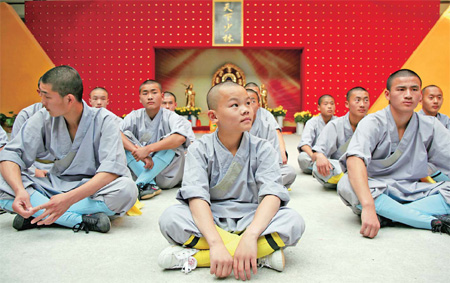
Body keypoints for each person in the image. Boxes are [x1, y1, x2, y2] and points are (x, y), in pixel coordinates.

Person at [158, 82, 305, 280]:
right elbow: (196, 197)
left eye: (247, 103)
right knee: (170, 217)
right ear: (213, 116)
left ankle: (200, 257)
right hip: (212, 217)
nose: (246, 110)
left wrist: (251, 235)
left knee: (293, 221)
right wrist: (216, 243)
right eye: (235, 105)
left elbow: (272, 194)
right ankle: (260, 255)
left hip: (252, 217)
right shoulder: (199, 149)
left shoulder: (263, 148)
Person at [0, 65, 137, 233]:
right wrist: (20, 191)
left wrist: (68, 199)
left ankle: (38, 215)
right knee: (4, 177)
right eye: (41, 95)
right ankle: (79, 220)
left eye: (47, 96)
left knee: (127, 190)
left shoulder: (104, 120)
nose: (43, 102)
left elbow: (111, 171)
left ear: (69, 99)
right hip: (52, 185)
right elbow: (11, 155)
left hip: (90, 189)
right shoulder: (43, 116)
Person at [337, 69, 450, 239]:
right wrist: (368, 206)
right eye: (401, 89)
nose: (408, 95)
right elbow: (354, 160)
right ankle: (431, 222)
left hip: (414, 190)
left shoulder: (431, 125)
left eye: (414, 89)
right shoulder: (373, 122)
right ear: (387, 94)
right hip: (378, 190)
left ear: (420, 95)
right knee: (347, 182)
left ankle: (392, 216)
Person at [121, 80, 193, 200]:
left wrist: (148, 149)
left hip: (166, 174)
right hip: (142, 166)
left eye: (154, 92)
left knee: (172, 144)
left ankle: (139, 184)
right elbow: (116, 134)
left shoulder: (171, 117)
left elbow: (180, 138)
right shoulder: (134, 116)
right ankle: (148, 184)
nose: (150, 97)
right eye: (145, 93)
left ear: (162, 96)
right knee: (124, 139)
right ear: (139, 98)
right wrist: (139, 152)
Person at [312, 87, 369, 189]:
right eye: (357, 100)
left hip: (365, 168)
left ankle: (349, 181)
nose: (362, 104)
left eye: (366, 100)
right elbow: (317, 152)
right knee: (317, 166)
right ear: (347, 104)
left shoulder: (374, 125)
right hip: (341, 169)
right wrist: (320, 156)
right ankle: (355, 181)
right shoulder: (335, 125)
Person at [247, 88, 296, 188]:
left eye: (253, 101)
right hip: (240, 171)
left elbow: (273, 155)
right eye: (246, 102)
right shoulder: (233, 122)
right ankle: (264, 188)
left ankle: (255, 189)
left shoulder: (266, 125)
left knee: (289, 172)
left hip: (262, 169)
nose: (249, 105)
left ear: (259, 104)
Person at [245, 82, 289, 167]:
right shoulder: (236, 115)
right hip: (243, 162)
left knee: (288, 172)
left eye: (253, 99)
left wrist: (282, 151)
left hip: (263, 160)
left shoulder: (265, 115)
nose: (250, 103)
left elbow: (276, 132)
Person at [297, 94, 336, 174]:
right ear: (319, 107)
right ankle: (327, 169)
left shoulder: (339, 122)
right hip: (315, 157)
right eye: (326, 104)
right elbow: (304, 144)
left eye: (332, 104)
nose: (329, 106)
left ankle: (322, 169)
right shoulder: (312, 122)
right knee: (302, 158)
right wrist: (314, 156)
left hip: (332, 157)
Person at [418, 85, 450, 182]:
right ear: (420, 100)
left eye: (439, 98)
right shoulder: (415, 121)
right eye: (431, 98)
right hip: (428, 169)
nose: (436, 101)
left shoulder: (446, 120)